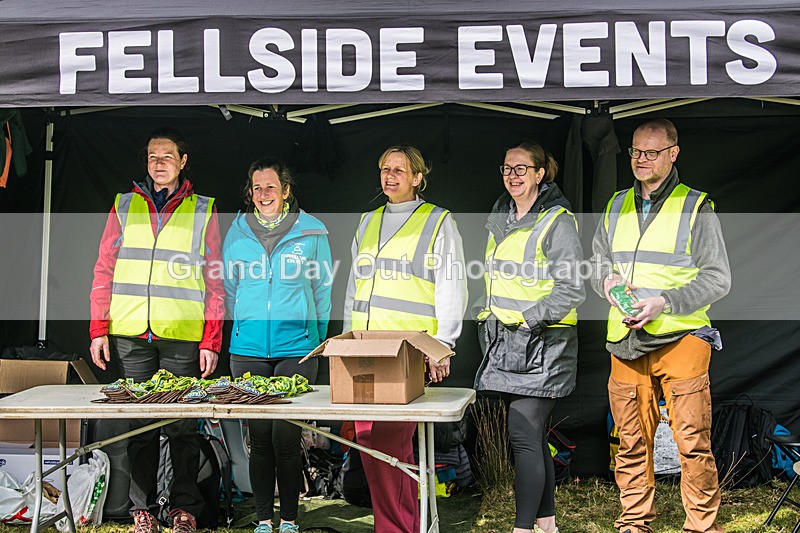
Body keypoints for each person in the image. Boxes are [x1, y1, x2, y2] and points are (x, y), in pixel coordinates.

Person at [591, 119, 731, 533]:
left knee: (691, 443)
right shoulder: (616, 205)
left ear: (673, 153)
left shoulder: (695, 206)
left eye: (652, 152)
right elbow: (599, 260)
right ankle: (634, 522)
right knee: (631, 441)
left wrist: (663, 302)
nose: (641, 159)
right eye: (635, 151)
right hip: (626, 339)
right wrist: (607, 281)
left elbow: (718, 278)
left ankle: (701, 526)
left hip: (682, 338)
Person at [89, 127, 224, 533]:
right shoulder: (124, 205)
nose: (158, 163)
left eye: (167, 156)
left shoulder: (203, 208)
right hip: (131, 334)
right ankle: (141, 510)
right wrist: (99, 329)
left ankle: (184, 508)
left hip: (182, 334)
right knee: (140, 426)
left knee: (182, 424)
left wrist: (211, 340)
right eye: (152, 157)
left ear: (183, 162)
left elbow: (215, 279)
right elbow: (104, 269)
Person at [342, 145, 468, 533]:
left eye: (399, 169)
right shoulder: (368, 221)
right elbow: (354, 285)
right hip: (365, 350)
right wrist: (347, 339)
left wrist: (442, 344)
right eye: (384, 169)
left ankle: (397, 527)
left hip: (406, 352)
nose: (390, 175)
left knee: (390, 444)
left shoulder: (437, 221)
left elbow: (452, 285)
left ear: (417, 177)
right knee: (366, 441)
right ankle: (394, 523)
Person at [473, 141, 584, 533]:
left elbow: (572, 289)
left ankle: (522, 528)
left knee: (522, 433)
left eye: (522, 169)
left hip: (544, 346)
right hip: (508, 346)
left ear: (540, 174)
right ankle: (547, 523)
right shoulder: (500, 216)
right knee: (532, 437)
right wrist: (487, 313)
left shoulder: (557, 221)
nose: (512, 176)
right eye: (507, 168)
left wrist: (527, 321)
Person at [222, 158, 332, 533]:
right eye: (257, 188)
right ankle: (264, 521)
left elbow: (322, 291)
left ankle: (288, 521)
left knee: (286, 438)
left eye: (271, 187)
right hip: (248, 351)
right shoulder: (236, 233)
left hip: (296, 349)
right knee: (260, 439)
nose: (264, 194)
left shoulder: (313, 231)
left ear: (286, 191)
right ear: (250, 192)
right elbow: (231, 289)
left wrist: (313, 341)